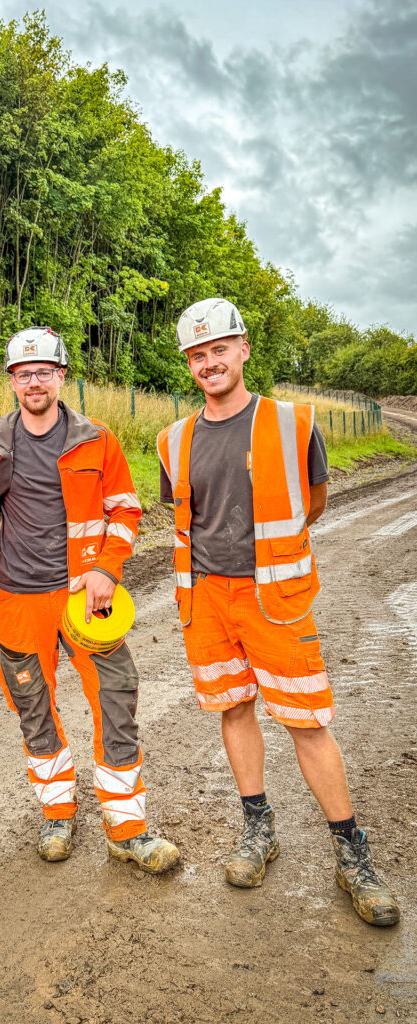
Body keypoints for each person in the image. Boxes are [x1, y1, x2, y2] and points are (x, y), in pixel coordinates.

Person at [156, 297, 399, 926]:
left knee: (307, 722)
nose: (209, 363)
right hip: (206, 600)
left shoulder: (292, 423)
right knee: (234, 709)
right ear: (189, 364)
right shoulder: (172, 440)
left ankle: (352, 854)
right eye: (197, 355)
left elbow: (313, 503)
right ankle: (258, 828)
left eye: (219, 349)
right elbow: (183, 517)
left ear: (242, 350)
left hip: (275, 601)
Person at [0, 327, 179, 874]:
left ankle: (126, 827)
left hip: (85, 597)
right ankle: (57, 813)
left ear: (61, 377)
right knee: (32, 706)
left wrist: (106, 568)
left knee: (116, 697)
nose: (34, 382)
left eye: (43, 372)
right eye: (23, 374)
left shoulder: (95, 439)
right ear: (12, 381)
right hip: (18, 597)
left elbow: (125, 509)